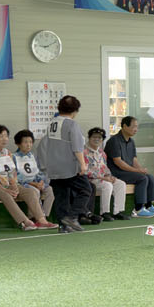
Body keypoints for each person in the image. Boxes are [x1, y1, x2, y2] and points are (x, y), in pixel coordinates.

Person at [0, 124, 51, 230]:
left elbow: (12, 172)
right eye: (1, 136)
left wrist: (14, 186)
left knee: (30, 192)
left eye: (6, 136)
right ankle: (25, 222)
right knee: (6, 195)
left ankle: (42, 221)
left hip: (7, 184)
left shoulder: (7, 153)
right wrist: (5, 189)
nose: (5, 139)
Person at [39, 96, 92, 232]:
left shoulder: (52, 124)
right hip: (68, 166)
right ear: (75, 110)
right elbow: (77, 147)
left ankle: (63, 225)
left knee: (61, 195)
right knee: (86, 189)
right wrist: (82, 164)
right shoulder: (72, 124)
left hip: (53, 167)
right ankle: (72, 217)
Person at [107, 115, 154, 216]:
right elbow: (118, 162)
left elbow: (134, 159)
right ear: (124, 126)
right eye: (134, 126)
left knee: (150, 177)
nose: (136, 129)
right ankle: (138, 209)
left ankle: (148, 205)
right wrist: (137, 171)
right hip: (117, 172)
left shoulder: (131, 141)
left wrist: (141, 169)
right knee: (142, 178)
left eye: (137, 127)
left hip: (128, 172)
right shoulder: (114, 141)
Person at [84, 126, 127, 222]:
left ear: (102, 140)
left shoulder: (102, 153)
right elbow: (86, 171)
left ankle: (118, 212)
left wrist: (109, 176)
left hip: (102, 178)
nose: (97, 139)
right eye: (94, 137)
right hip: (90, 180)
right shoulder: (84, 152)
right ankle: (104, 212)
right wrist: (103, 178)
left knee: (120, 184)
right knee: (107, 185)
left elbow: (105, 168)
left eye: (99, 138)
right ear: (89, 138)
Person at [12, 131, 55, 223]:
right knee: (35, 191)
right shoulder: (14, 157)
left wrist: (41, 181)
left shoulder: (33, 156)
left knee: (49, 190)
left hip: (36, 182)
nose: (28, 145)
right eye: (25, 142)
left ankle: (44, 216)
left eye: (30, 142)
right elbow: (16, 176)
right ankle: (33, 217)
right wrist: (34, 184)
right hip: (24, 184)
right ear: (18, 144)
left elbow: (38, 171)